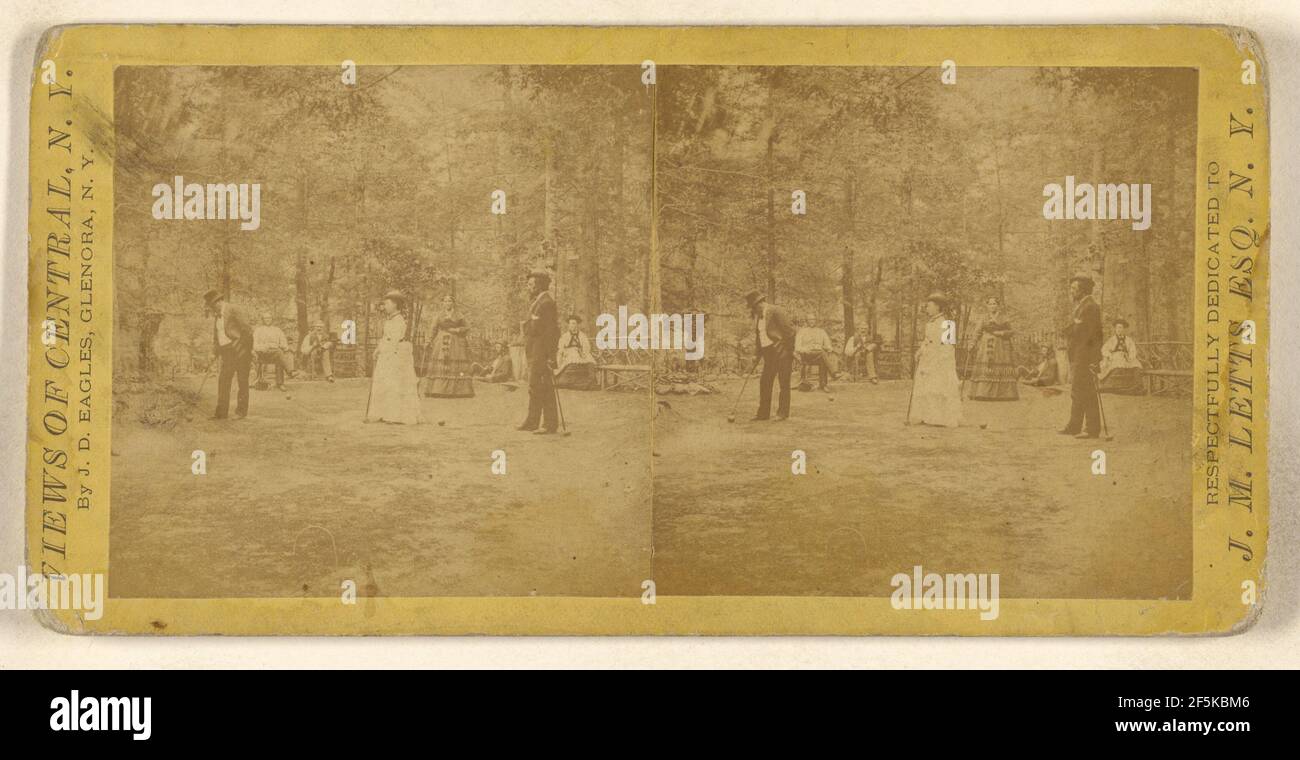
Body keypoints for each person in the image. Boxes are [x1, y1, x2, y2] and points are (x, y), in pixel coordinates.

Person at [365, 291, 421, 424]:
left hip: (394, 355)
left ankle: (394, 415)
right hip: (386, 353)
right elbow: (385, 337)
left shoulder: (399, 320)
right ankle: (382, 413)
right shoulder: (389, 320)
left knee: (394, 384)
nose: (385, 306)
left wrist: (385, 351)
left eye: (388, 303)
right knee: (384, 383)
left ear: (395, 305)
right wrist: (378, 350)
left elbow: (394, 340)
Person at [907, 292, 962, 427]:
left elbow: (948, 347)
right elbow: (927, 340)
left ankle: (941, 418)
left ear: (938, 307)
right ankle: (927, 416)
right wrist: (920, 351)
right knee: (926, 387)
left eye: (929, 306)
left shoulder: (947, 324)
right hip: (928, 357)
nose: (927, 308)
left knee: (939, 387)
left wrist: (940, 362)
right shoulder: (929, 323)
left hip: (940, 361)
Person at [1060, 275, 1104, 438]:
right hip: (1080, 354)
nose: (1072, 291)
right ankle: (1074, 426)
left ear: (1083, 290)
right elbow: (1075, 328)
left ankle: (1092, 429)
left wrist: (1094, 360)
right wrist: (1072, 328)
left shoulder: (1090, 307)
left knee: (1086, 392)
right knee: (1078, 391)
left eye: (1074, 288)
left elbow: (1093, 335)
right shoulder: (1082, 305)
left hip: (1086, 356)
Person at [517, 270, 561, 434]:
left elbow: (551, 332)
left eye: (531, 285)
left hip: (542, 351)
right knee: (536, 386)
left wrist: (551, 356)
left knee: (544, 386)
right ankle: (532, 421)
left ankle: (549, 424)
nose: (529, 288)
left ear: (540, 285)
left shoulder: (547, 303)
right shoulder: (538, 301)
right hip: (535, 350)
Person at [745, 290, 796, 421]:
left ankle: (782, 413)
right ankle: (763, 414)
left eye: (753, 308)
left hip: (782, 352)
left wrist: (787, 350)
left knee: (784, 383)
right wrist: (757, 355)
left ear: (759, 304)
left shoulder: (776, 311)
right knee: (765, 382)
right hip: (768, 354)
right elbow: (759, 337)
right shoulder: (759, 317)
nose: (753, 311)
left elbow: (790, 331)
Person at [204, 289, 254, 420]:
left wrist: (242, 347)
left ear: (218, 302)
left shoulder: (233, 309)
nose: (212, 309)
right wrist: (213, 353)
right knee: (223, 381)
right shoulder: (217, 316)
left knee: (242, 381)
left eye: (212, 306)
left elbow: (247, 329)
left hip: (240, 350)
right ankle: (221, 413)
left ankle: (241, 412)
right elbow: (217, 338)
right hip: (226, 352)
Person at [421, 295, 475, 398]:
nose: (447, 303)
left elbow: (467, 327)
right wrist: (428, 341)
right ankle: (438, 390)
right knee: (442, 361)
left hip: (456, 342)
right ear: (443, 303)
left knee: (454, 362)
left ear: (453, 303)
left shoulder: (459, 315)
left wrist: (457, 330)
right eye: (445, 301)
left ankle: (458, 391)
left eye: (449, 301)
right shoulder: (439, 315)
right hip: (441, 341)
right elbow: (433, 329)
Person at [966, 296, 1019, 401]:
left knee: (1000, 366)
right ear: (987, 306)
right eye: (990, 304)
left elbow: (1011, 331)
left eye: (994, 304)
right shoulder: (983, 318)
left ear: (998, 306)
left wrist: (1001, 333)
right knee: (987, 365)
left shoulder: (1004, 318)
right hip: (986, 345)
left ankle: (1003, 394)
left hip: (1000, 346)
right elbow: (977, 332)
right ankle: (983, 393)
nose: (992, 306)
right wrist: (972, 343)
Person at [1098, 318, 1145, 394]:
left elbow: (1133, 350)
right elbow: (1104, 349)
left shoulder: (1129, 340)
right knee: (1118, 364)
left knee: (1136, 365)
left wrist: (1131, 357)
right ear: (1115, 329)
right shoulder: (1112, 339)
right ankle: (1112, 386)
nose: (1119, 329)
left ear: (1124, 329)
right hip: (1115, 357)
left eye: (1121, 327)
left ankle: (1136, 386)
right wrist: (1109, 355)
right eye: (1117, 328)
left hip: (1127, 357)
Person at [253, 312, 295, 391]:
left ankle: (280, 384)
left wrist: (287, 349)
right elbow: (254, 345)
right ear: (263, 320)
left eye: (269, 318)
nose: (267, 320)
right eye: (266, 318)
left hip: (275, 353)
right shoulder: (258, 330)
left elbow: (283, 343)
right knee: (279, 353)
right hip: (263, 354)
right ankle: (290, 372)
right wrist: (265, 347)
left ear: (272, 319)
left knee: (280, 356)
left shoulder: (277, 330)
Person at [554, 315, 598, 390]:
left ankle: (588, 383)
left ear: (577, 325)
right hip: (569, 355)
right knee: (572, 360)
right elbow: (560, 351)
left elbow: (587, 348)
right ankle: (577, 384)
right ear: (568, 325)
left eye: (574, 323)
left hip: (581, 354)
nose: (572, 326)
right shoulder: (564, 336)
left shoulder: (582, 336)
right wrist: (559, 363)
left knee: (590, 362)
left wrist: (583, 353)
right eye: (571, 324)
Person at [795, 315, 834, 392]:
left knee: (823, 357)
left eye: (813, 319)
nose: (811, 321)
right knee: (823, 354)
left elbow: (828, 345)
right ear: (807, 321)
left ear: (815, 321)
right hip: (806, 355)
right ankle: (833, 373)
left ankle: (823, 385)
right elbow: (797, 347)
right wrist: (805, 350)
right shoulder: (802, 332)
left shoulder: (821, 331)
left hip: (818, 355)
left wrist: (829, 348)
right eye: (810, 319)